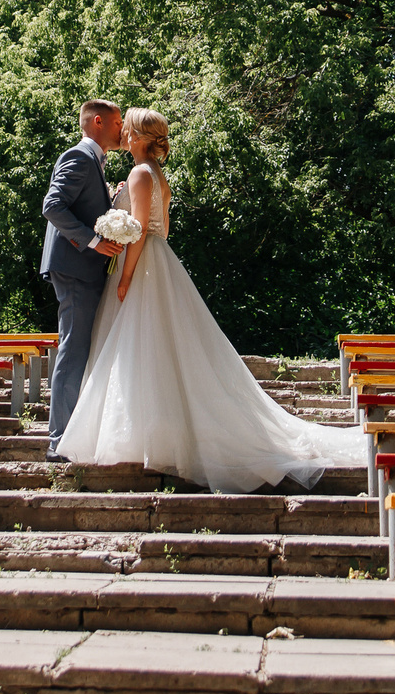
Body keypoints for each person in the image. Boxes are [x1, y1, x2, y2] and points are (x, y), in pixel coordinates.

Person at [55, 107, 365, 491]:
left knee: (138, 351)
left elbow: (135, 234)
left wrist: (127, 277)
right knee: (156, 350)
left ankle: (138, 436)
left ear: (137, 136)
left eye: (127, 129)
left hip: (140, 266)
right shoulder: (156, 175)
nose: (122, 135)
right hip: (161, 262)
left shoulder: (138, 173)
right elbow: (161, 229)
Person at [40, 97, 126, 460]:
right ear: (97, 123)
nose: (123, 129)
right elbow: (52, 206)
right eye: (118, 122)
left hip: (81, 268)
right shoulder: (78, 156)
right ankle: (59, 443)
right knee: (73, 350)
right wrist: (93, 241)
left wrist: (110, 200)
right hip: (75, 268)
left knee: (78, 349)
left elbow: (80, 206)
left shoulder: (94, 162)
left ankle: (68, 435)